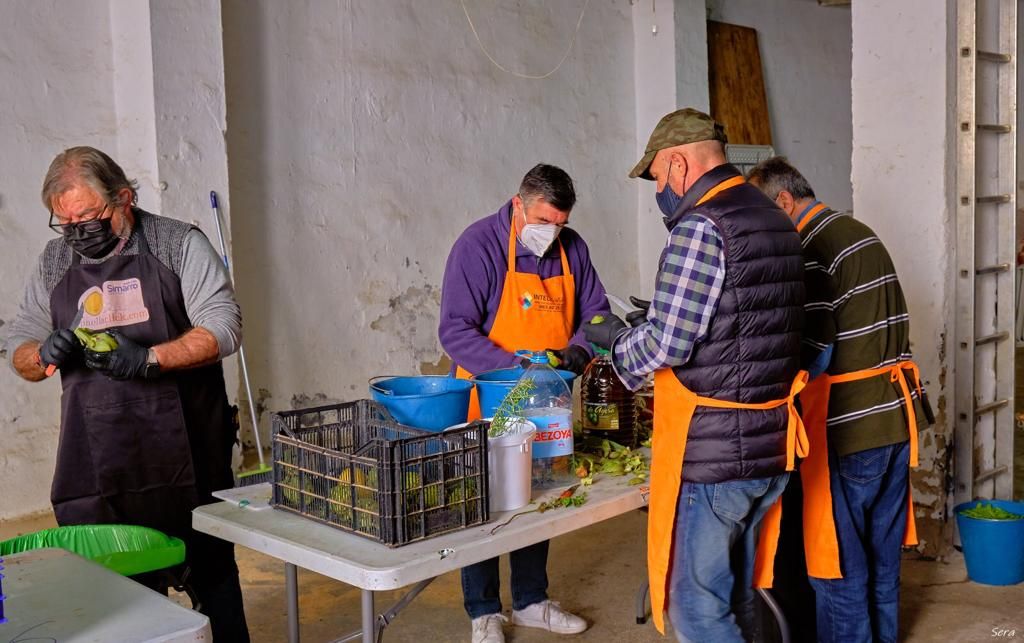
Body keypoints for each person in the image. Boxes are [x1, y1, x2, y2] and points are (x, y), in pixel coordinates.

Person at [6, 146, 249, 641]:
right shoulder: (55, 261)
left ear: (124, 199)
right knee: (122, 604)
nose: (77, 232)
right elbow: (19, 348)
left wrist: (148, 359)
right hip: (99, 460)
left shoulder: (176, 243)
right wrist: (39, 352)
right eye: (65, 221)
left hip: (186, 456)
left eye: (89, 216)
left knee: (214, 584)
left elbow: (223, 328)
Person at [583, 108, 807, 643]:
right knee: (737, 594)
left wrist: (616, 341)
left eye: (658, 177)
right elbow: (750, 324)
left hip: (717, 453)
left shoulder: (703, 225)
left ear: (679, 164)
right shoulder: (774, 217)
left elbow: (669, 342)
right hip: (770, 443)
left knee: (697, 610)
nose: (660, 190)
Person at [748, 156, 931, 643]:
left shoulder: (810, 246)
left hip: (849, 428)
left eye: (766, 214)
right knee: (881, 564)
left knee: (837, 574)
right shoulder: (858, 231)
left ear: (784, 201)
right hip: (895, 419)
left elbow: (817, 350)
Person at [439, 163, 607, 643]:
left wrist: (576, 352)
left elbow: (595, 313)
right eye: (543, 220)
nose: (551, 232)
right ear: (518, 205)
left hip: (548, 398)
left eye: (560, 222)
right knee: (487, 502)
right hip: (488, 396)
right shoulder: (477, 246)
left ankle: (532, 599)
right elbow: (454, 328)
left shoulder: (572, 249)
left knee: (539, 495)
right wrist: (515, 371)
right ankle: (484, 610)